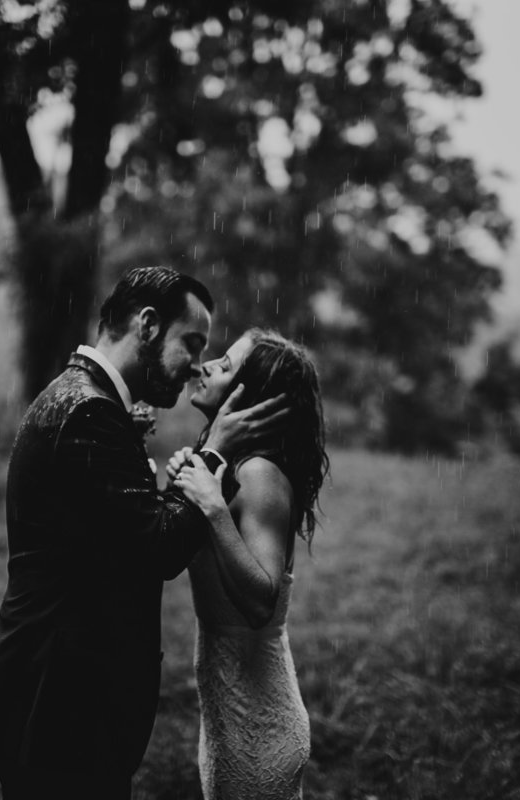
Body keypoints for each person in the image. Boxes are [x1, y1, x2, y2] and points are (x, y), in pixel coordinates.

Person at [0, 267, 287, 799]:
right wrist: (216, 451)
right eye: (192, 343)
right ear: (148, 325)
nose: (194, 367)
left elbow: (120, 538)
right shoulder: (90, 412)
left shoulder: (82, 398)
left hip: (60, 696)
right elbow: (156, 550)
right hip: (59, 702)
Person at [168, 329, 329, 800]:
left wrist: (213, 507)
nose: (208, 365)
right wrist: (190, 483)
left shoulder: (259, 475)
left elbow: (261, 602)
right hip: (229, 714)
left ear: (250, 396)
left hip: (259, 726)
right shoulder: (229, 467)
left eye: (227, 363)